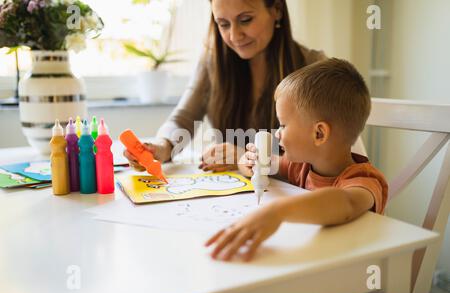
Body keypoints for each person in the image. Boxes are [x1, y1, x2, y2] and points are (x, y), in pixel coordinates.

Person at [205, 58, 389, 262]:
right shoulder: (301, 166)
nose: (277, 133)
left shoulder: (364, 180)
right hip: (304, 263)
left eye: (283, 125)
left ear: (319, 133)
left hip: (339, 280)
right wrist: (249, 162)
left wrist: (278, 211)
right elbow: (268, 163)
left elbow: (345, 203)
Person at [124, 0, 326, 172]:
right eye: (223, 24)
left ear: (277, 10)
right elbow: (182, 119)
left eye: (245, 20)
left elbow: (323, 158)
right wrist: (161, 146)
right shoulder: (213, 61)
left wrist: (247, 158)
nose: (234, 36)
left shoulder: (313, 67)